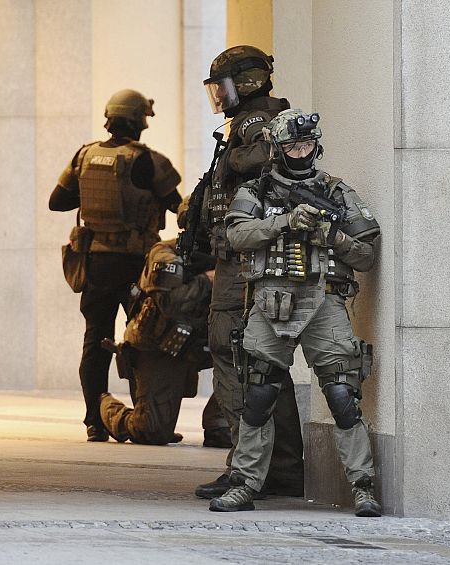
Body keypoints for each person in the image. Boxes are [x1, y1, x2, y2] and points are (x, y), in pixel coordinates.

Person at [210, 109, 382, 517]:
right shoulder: (257, 191)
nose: (301, 152)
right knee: (258, 394)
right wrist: (285, 222)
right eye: (292, 146)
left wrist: (329, 235)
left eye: (306, 145)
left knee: (342, 393)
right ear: (278, 149)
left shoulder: (336, 192)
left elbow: (367, 255)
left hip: (324, 301)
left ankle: (362, 486)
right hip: (271, 302)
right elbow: (236, 234)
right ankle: (245, 483)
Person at [193, 46, 304, 499]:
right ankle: (280, 467)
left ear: (249, 81)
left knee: (235, 356)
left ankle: (249, 469)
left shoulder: (256, 123)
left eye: (225, 85)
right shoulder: (255, 123)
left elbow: (261, 161)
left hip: (244, 265)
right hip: (243, 259)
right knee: (261, 362)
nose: (220, 95)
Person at [49, 89, 181, 442]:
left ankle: (95, 420)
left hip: (97, 266)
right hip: (139, 267)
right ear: (140, 123)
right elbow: (178, 205)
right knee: (143, 340)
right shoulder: (148, 161)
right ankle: (145, 417)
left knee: (95, 341)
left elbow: (57, 202)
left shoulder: (85, 155)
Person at [99, 238, 216, 445]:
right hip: (160, 346)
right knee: (151, 431)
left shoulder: (237, 252)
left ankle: (219, 424)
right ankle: (108, 408)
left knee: (260, 362)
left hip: (202, 344)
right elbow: (169, 304)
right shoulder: (166, 252)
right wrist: (207, 280)